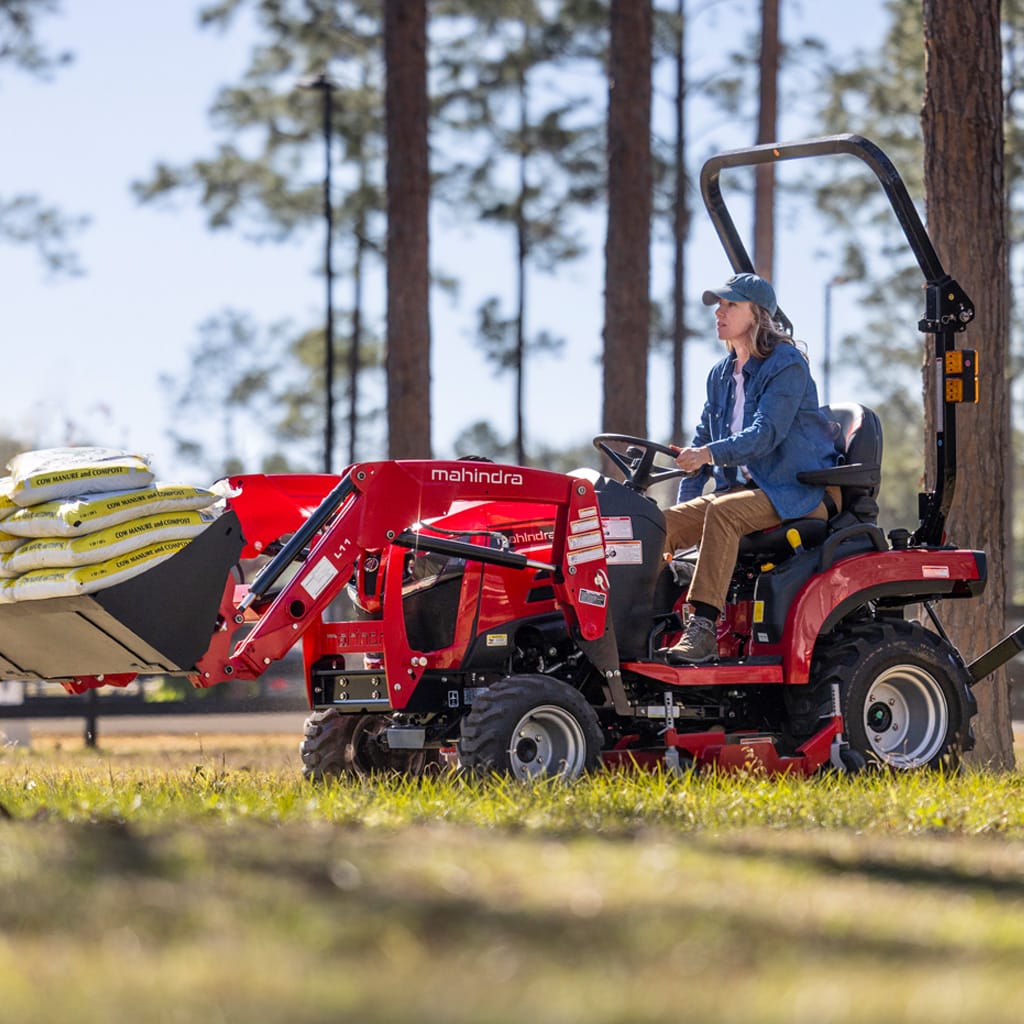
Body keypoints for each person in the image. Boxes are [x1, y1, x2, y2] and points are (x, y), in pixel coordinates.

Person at [662, 272, 841, 664]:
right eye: (719, 306)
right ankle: (646, 623)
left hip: (795, 491)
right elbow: (700, 444)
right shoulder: (720, 375)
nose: (719, 314)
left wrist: (706, 455)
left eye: (730, 305)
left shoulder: (786, 365)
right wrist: (684, 509)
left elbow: (765, 435)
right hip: (747, 492)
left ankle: (703, 630)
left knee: (723, 513)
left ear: (757, 314)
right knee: (662, 525)